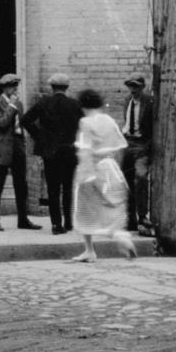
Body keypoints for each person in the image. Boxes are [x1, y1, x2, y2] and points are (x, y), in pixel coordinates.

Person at [70, 88, 134, 262]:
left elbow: (85, 150)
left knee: (84, 210)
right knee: (111, 205)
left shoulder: (86, 122)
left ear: (83, 105)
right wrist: (116, 169)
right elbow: (121, 146)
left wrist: (84, 174)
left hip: (92, 168)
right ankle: (118, 235)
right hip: (111, 167)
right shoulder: (109, 120)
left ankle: (90, 250)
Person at [22, 73, 83, 234]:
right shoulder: (75, 105)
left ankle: (56, 225)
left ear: (52, 87)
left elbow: (25, 120)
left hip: (50, 153)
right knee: (68, 187)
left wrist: (40, 137)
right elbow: (84, 127)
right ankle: (69, 222)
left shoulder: (43, 103)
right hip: (70, 152)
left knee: (53, 189)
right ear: (66, 87)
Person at [0, 74, 40, 232]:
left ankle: (23, 219)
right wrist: (12, 106)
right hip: (2, 147)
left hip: (17, 146)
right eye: (12, 86)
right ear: (5, 87)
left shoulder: (19, 104)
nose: (15, 89)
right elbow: (2, 123)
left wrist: (24, 142)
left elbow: (20, 126)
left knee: (21, 184)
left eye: (16, 86)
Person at [119, 75, 154, 233]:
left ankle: (142, 216)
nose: (133, 90)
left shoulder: (150, 102)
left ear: (142, 87)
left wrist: (148, 146)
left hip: (142, 145)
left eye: (136, 86)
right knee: (125, 180)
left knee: (140, 177)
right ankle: (130, 218)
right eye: (130, 86)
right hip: (127, 143)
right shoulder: (127, 100)